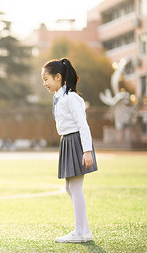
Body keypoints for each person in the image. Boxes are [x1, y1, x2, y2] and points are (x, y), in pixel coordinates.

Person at [41, 58, 97, 243]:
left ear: (58, 77)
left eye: (46, 79)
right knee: (69, 186)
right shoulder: (59, 97)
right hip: (67, 142)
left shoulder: (71, 98)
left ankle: (81, 232)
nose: (45, 84)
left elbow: (83, 125)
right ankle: (84, 230)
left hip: (76, 142)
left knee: (74, 186)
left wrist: (87, 151)